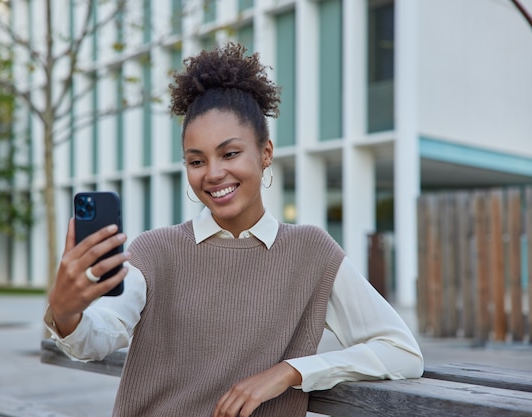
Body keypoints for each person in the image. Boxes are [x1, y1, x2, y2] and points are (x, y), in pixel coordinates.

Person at [45, 42, 423, 417]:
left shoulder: (312, 252)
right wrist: (66, 313)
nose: (212, 174)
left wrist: (290, 372)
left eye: (229, 153)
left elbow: (402, 351)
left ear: (266, 153)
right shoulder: (155, 251)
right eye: (197, 160)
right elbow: (98, 337)